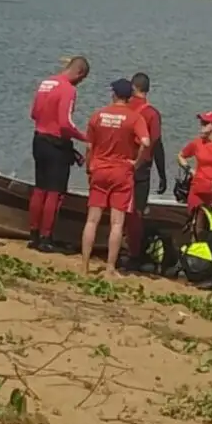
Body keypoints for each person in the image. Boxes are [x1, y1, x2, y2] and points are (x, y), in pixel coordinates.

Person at [81, 78, 150, 277]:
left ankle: (85, 265)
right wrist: (135, 162)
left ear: (113, 94)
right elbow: (145, 141)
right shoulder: (135, 117)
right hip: (121, 171)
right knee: (117, 223)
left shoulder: (98, 115)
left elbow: (89, 147)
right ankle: (110, 267)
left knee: (92, 220)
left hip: (99, 169)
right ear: (129, 97)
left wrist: (89, 167)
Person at [28, 56, 90, 253]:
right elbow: (65, 123)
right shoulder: (68, 89)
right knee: (54, 192)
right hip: (56, 144)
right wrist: (83, 137)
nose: (80, 83)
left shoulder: (46, 83)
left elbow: (34, 113)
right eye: (82, 79)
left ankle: (34, 235)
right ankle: (47, 237)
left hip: (38, 139)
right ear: (79, 73)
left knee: (40, 189)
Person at [124, 72, 167, 270]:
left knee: (119, 208)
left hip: (120, 163)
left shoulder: (122, 106)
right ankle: (134, 254)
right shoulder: (151, 113)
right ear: (148, 89)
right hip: (141, 167)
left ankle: (117, 247)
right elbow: (156, 144)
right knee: (137, 211)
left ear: (133, 87)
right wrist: (162, 174)